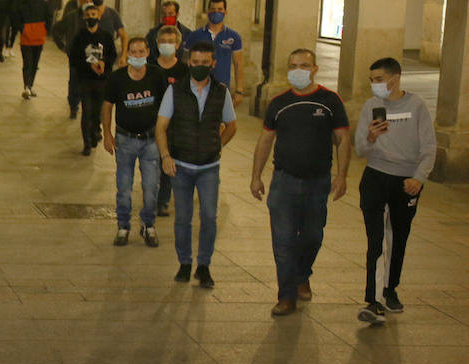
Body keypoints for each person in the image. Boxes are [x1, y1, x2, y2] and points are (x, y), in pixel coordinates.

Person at [249, 49, 351, 317]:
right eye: (293, 65)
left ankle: (302, 273)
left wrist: (342, 176)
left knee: (312, 237)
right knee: (282, 242)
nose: (298, 70)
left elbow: (342, 139)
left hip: (317, 183)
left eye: (304, 65)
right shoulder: (279, 103)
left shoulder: (330, 100)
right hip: (284, 182)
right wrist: (256, 175)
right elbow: (265, 140)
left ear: (315, 68)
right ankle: (286, 296)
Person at [353, 57, 436, 325]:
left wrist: (419, 178)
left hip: (406, 182)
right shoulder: (371, 106)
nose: (374, 85)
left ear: (395, 78)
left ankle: (390, 290)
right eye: (372, 80)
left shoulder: (416, 106)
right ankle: (373, 300)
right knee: (376, 239)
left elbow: (428, 147)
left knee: (398, 238)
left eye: (378, 80)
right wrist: (371, 137)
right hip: (376, 177)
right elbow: (360, 150)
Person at [155, 41, 237, 289]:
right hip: (181, 164)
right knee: (182, 218)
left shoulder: (221, 92)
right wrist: (166, 156)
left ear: (213, 64)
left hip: (209, 168)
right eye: (195, 62)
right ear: (188, 63)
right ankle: (184, 263)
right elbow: (161, 126)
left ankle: (204, 265)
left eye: (205, 63)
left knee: (210, 217)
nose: (199, 66)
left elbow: (231, 125)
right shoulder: (175, 91)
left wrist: (217, 145)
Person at [102, 39, 167, 247]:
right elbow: (107, 106)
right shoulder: (117, 78)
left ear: (148, 52)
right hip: (125, 139)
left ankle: (148, 224)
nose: (137, 55)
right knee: (124, 187)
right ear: (127, 53)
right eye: (133, 52)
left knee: (150, 187)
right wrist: (106, 134)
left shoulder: (157, 76)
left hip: (151, 140)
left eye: (141, 51)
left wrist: (165, 135)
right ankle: (123, 226)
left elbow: (167, 106)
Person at [148, 25, 188, 218]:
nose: (167, 45)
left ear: (178, 45)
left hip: (174, 125)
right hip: (150, 122)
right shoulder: (149, 67)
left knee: (168, 161)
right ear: (157, 44)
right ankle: (150, 197)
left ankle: (163, 200)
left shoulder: (183, 70)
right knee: (150, 162)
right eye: (163, 42)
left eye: (170, 42)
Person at [68, 4, 117, 155]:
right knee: (87, 110)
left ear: (99, 16)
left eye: (94, 14)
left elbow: (112, 55)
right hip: (85, 80)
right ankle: (87, 142)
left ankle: (96, 130)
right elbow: (74, 58)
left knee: (98, 111)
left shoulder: (106, 36)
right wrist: (88, 66)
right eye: (88, 15)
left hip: (102, 81)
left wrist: (104, 63)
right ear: (84, 17)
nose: (91, 17)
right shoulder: (79, 37)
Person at [184, 0, 246, 106]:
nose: (216, 12)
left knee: (220, 120)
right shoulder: (194, 36)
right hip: (197, 87)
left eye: (220, 9)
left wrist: (239, 91)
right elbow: (185, 62)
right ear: (208, 12)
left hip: (221, 88)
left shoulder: (233, 37)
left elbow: (238, 64)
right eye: (213, 9)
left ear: (225, 12)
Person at [54, 0, 91, 118]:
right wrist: (63, 46)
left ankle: (86, 103)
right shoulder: (71, 10)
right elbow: (61, 27)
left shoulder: (94, 12)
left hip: (90, 51)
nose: (85, 0)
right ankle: (73, 105)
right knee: (74, 78)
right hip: (75, 51)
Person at [16, 0, 53, 99]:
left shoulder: (43, 3)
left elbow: (49, 17)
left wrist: (45, 30)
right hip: (26, 38)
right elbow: (16, 19)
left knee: (35, 63)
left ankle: (30, 85)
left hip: (38, 38)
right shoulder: (21, 3)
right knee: (27, 62)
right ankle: (26, 86)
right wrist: (23, 29)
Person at [87, 0, 127, 67]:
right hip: (90, 53)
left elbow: (123, 35)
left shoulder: (112, 14)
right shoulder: (86, 14)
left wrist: (123, 56)